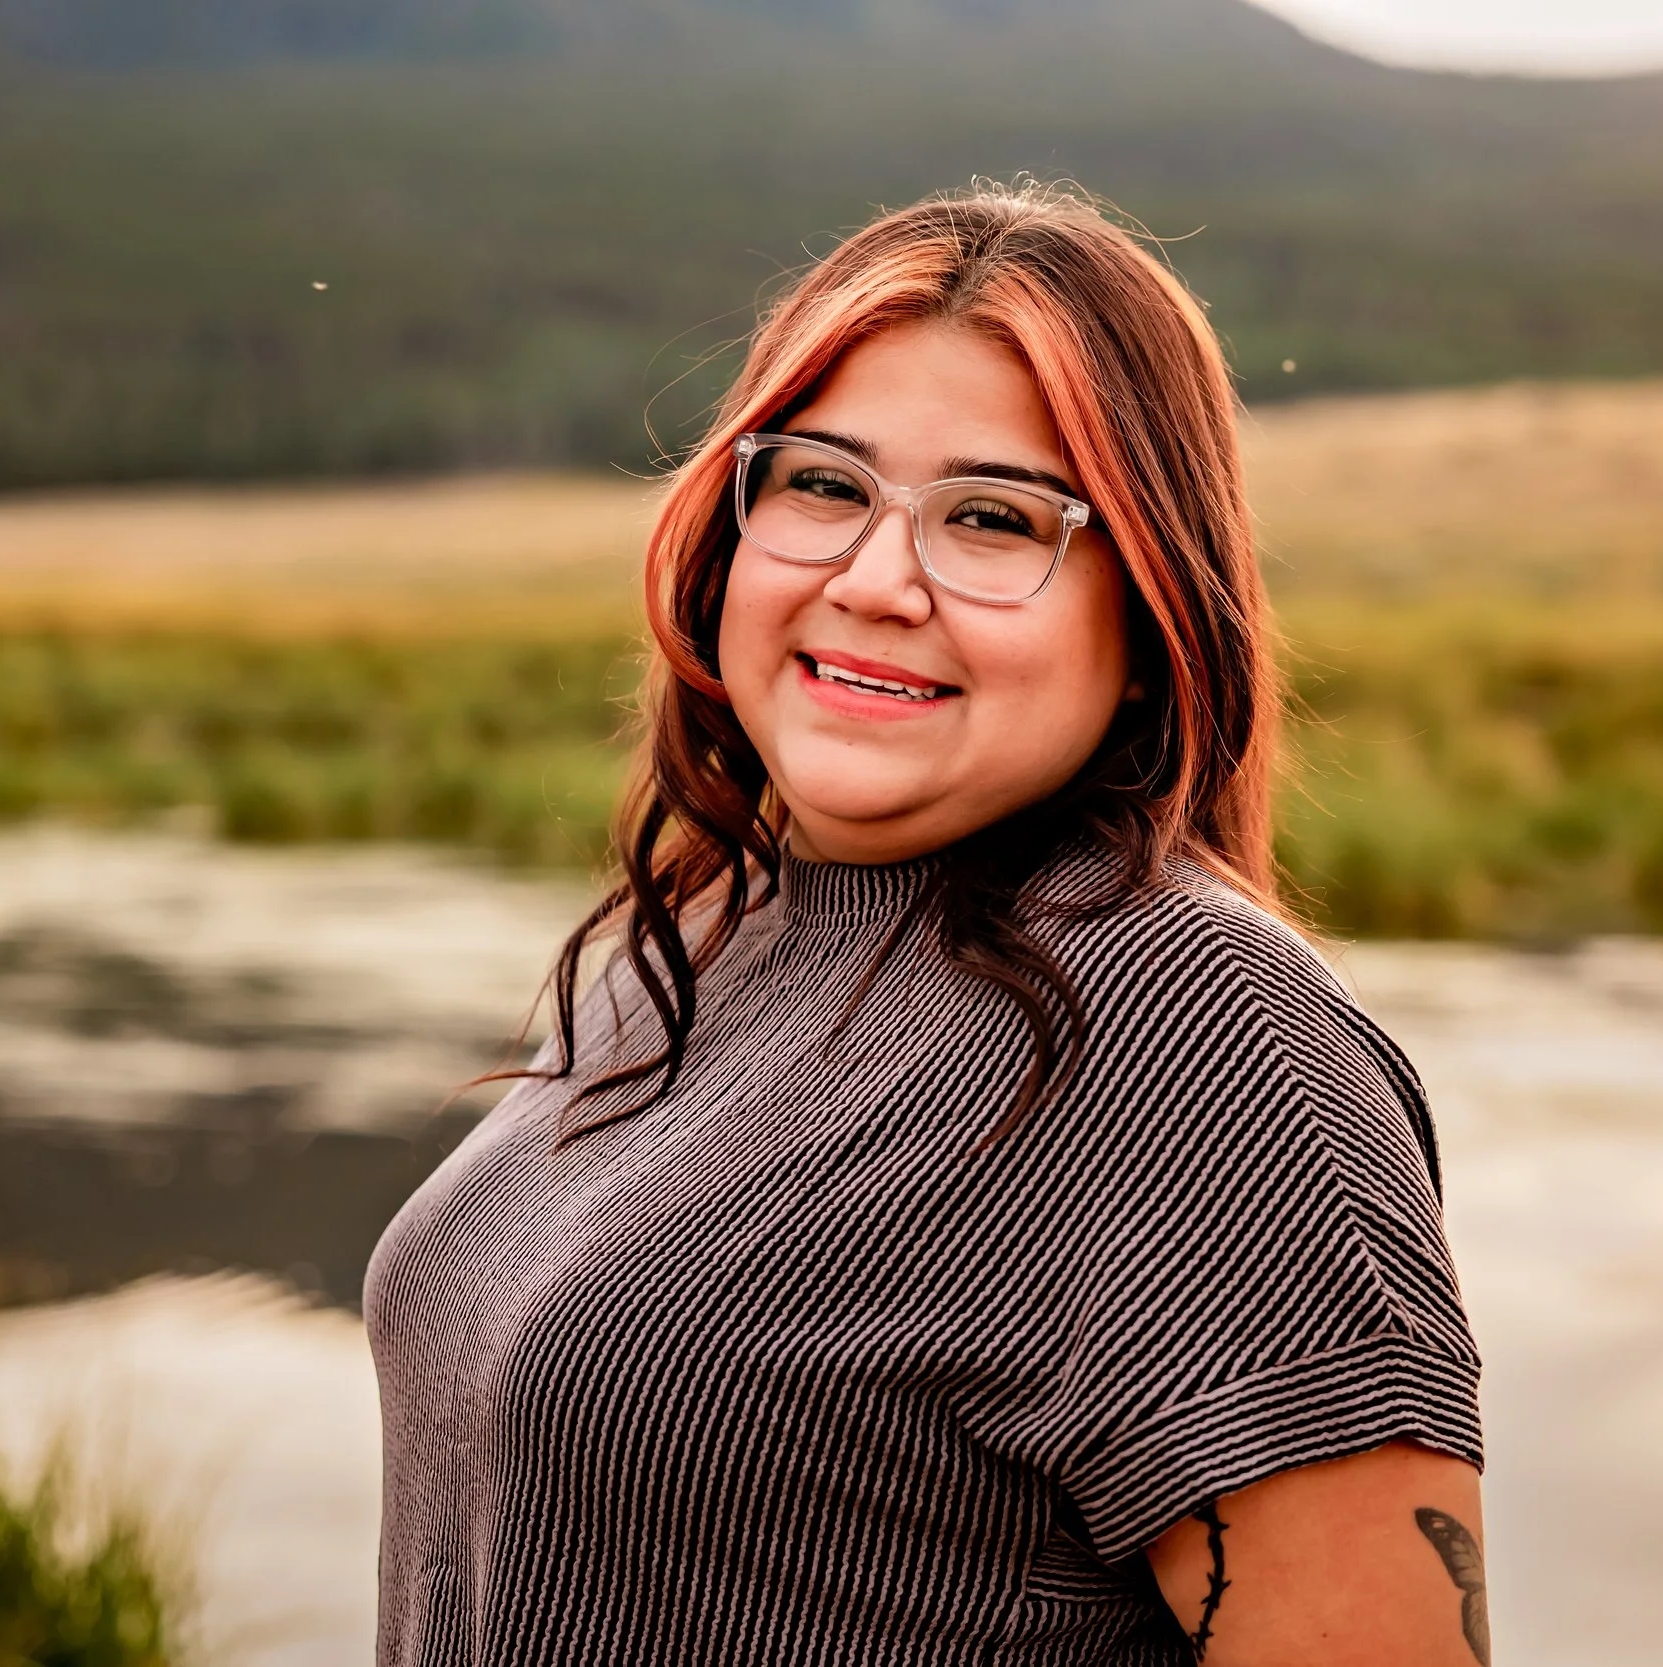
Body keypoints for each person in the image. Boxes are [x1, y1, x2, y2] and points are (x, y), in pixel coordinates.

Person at [365, 182, 1488, 1666]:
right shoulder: (719, 927)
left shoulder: (1204, 1040)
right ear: (731, 533)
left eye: (994, 518)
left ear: (1151, 620)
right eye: (823, 485)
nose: (878, 581)